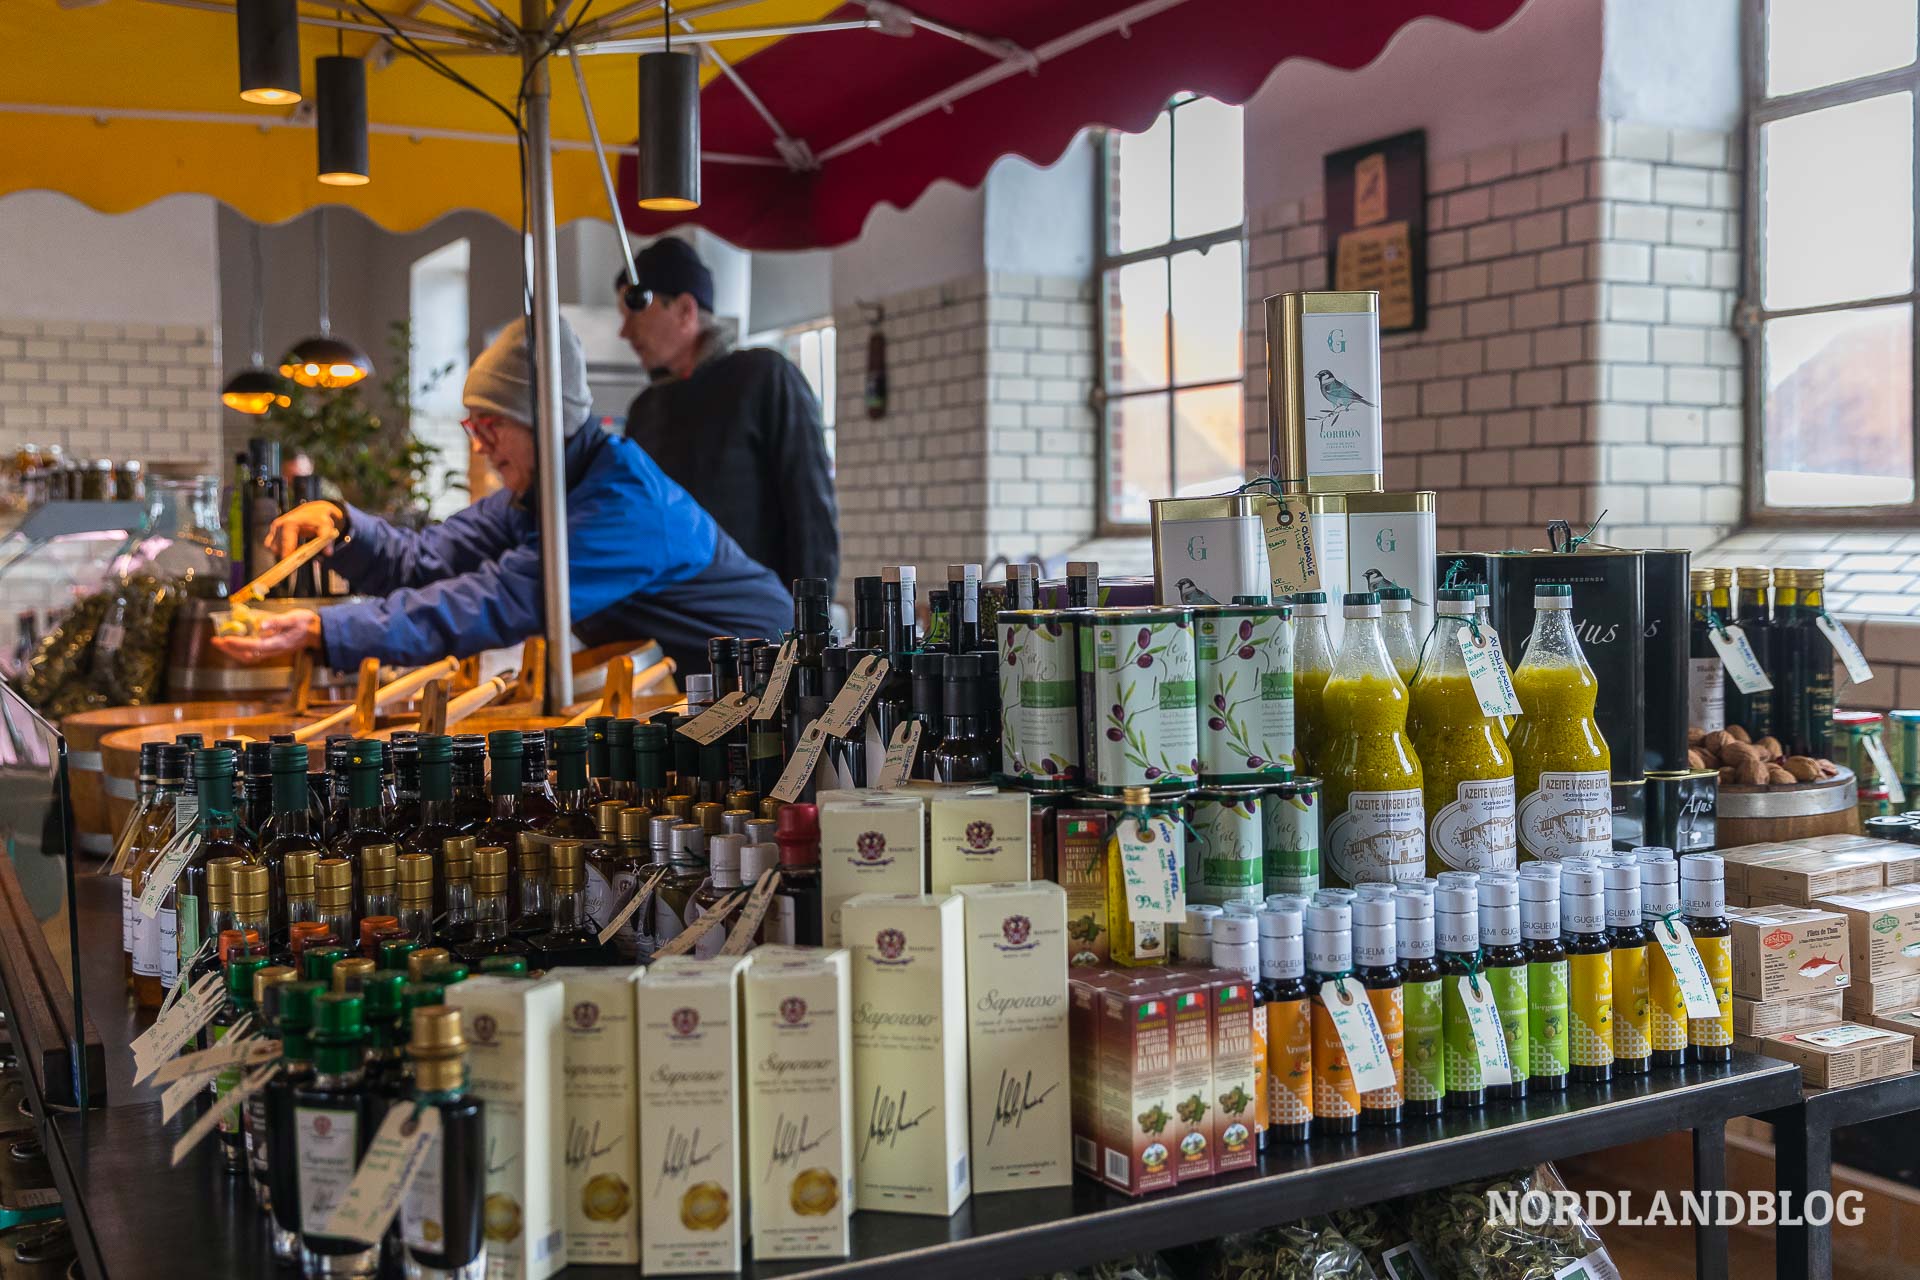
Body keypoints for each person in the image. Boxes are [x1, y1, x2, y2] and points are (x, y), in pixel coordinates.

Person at [210, 315, 790, 677]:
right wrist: (344, 527)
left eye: (492, 426)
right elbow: (425, 557)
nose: (483, 447)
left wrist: (330, 629)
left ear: (548, 419)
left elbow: (497, 600)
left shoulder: (624, 506)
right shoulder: (536, 493)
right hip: (686, 681)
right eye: (474, 428)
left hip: (764, 677)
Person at [617, 235, 840, 594]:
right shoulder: (644, 410)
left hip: (761, 632)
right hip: (674, 626)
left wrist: (807, 627)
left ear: (685, 310)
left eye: (634, 312)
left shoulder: (765, 378)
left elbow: (812, 519)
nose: (624, 331)